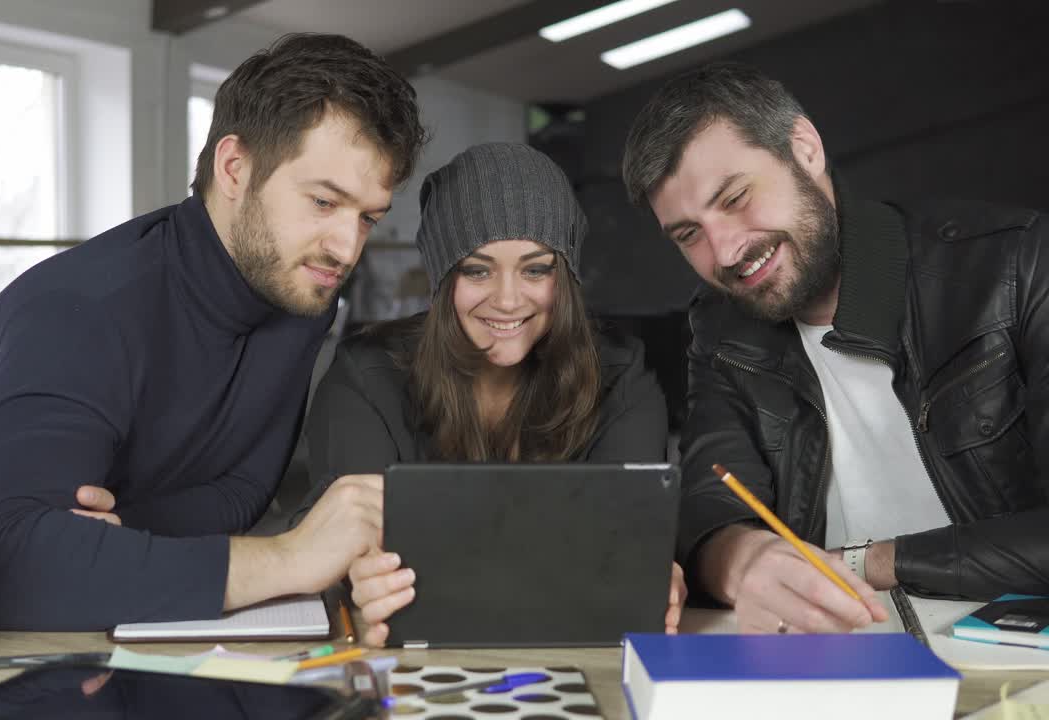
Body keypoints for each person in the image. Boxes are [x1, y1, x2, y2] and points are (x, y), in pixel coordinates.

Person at [0, 33, 427, 631]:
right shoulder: (79, 309)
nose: (346, 248)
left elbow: (240, 490)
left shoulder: (298, 292)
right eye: (322, 202)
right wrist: (287, 557)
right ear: (236, 168)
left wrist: (113, 544)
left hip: (114, 633)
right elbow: (2, 569)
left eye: (367, 217)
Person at [621, 61, 1049, 635]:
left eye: (736, 197)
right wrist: (741, 559)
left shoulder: (1018, 264)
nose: (723, 252)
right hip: (832, 657)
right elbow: (710, 499)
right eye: (689, 234)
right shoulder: (721, 325)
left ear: (805, 149)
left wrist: (864, 562)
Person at [297, 143, 684, 646]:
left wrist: (656, 572)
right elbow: (330, 546)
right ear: (441, 278)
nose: (506, 299)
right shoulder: (367, 377)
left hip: (580, 654)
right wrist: (356, 582)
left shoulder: (620, 375)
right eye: (476, 270)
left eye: (536, 269)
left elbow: (632, 545)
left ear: (563, 275)